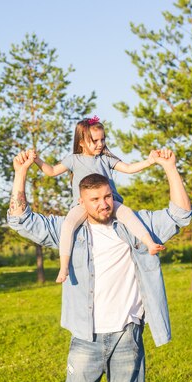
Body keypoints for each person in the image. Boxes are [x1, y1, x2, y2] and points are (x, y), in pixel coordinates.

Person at [7, 148, 192, 382]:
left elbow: (180, 215)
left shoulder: (135, 224)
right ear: (81, 202)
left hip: (127, 334)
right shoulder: (69, 230)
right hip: (85, 336)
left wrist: (170, 169)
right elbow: (21, 221)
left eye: (107, 196)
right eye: (94, 199)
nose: (103, 204)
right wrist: (21, 174)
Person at [32, 116, 164, 283]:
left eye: (102, 139)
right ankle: (64, 266)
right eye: (94, 141)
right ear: (81, 142)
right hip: (83, 205)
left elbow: (129, 169)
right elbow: (51, 171)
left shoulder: (105, 159)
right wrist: (37, 160)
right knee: (68, 225)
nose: (100, 144)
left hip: (109, 203)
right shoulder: (74, 160)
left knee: (128, 214)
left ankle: (149, 243)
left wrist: (150, 161)